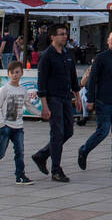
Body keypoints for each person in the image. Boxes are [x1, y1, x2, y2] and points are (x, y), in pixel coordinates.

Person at [78, 30, 112, 173]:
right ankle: (84, 150)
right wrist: (90, 99)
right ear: (108, 41)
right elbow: (92, 79)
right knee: (103, 131)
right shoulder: (101, 58)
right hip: (103, 101)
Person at [32, 24, 81, 182]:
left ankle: (42, 155)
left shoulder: (67, 54)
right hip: (53, 98)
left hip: (66, 97)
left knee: (68, 131)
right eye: (61, 34)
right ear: (52, 37)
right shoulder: (47, 56)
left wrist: (77, 97)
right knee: (57, 133)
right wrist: (44, 105)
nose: (64, 37)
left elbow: (73, 76)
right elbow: (41, 82)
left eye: (65, 34)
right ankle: (56, 170)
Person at [0, 60, 34, 185]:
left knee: (20, 152)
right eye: (12, 72)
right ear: (8, 74)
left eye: (17, 72)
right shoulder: (4, 89)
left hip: (18, 127)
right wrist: (0, 123)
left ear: (22, 73)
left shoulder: (23, 90)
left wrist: (42, 113)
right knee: (0, 152)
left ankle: (20, 175)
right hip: (5, 127)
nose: (15, 75)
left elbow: (29, 105)